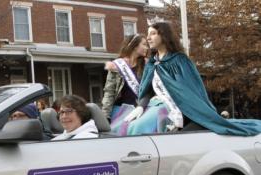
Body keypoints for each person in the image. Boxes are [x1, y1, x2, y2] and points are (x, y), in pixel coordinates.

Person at [124, 21, 261, 136]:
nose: (148, 38)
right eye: (148, 34)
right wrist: (141, 106)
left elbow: (191, 92)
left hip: (184, 111)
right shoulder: (152, 64)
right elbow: (147, 90)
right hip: (157, 107)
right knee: (132, 127)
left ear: (164, 36)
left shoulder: (180, 61)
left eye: (153, 33)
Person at [101, 33, 149, 123]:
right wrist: (105, 116)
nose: (147, 48)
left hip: (143, 109)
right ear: (135, 46)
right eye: (144, 44)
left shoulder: (147, 66)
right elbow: (109, 93)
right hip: (122, 111)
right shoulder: (117, 66)